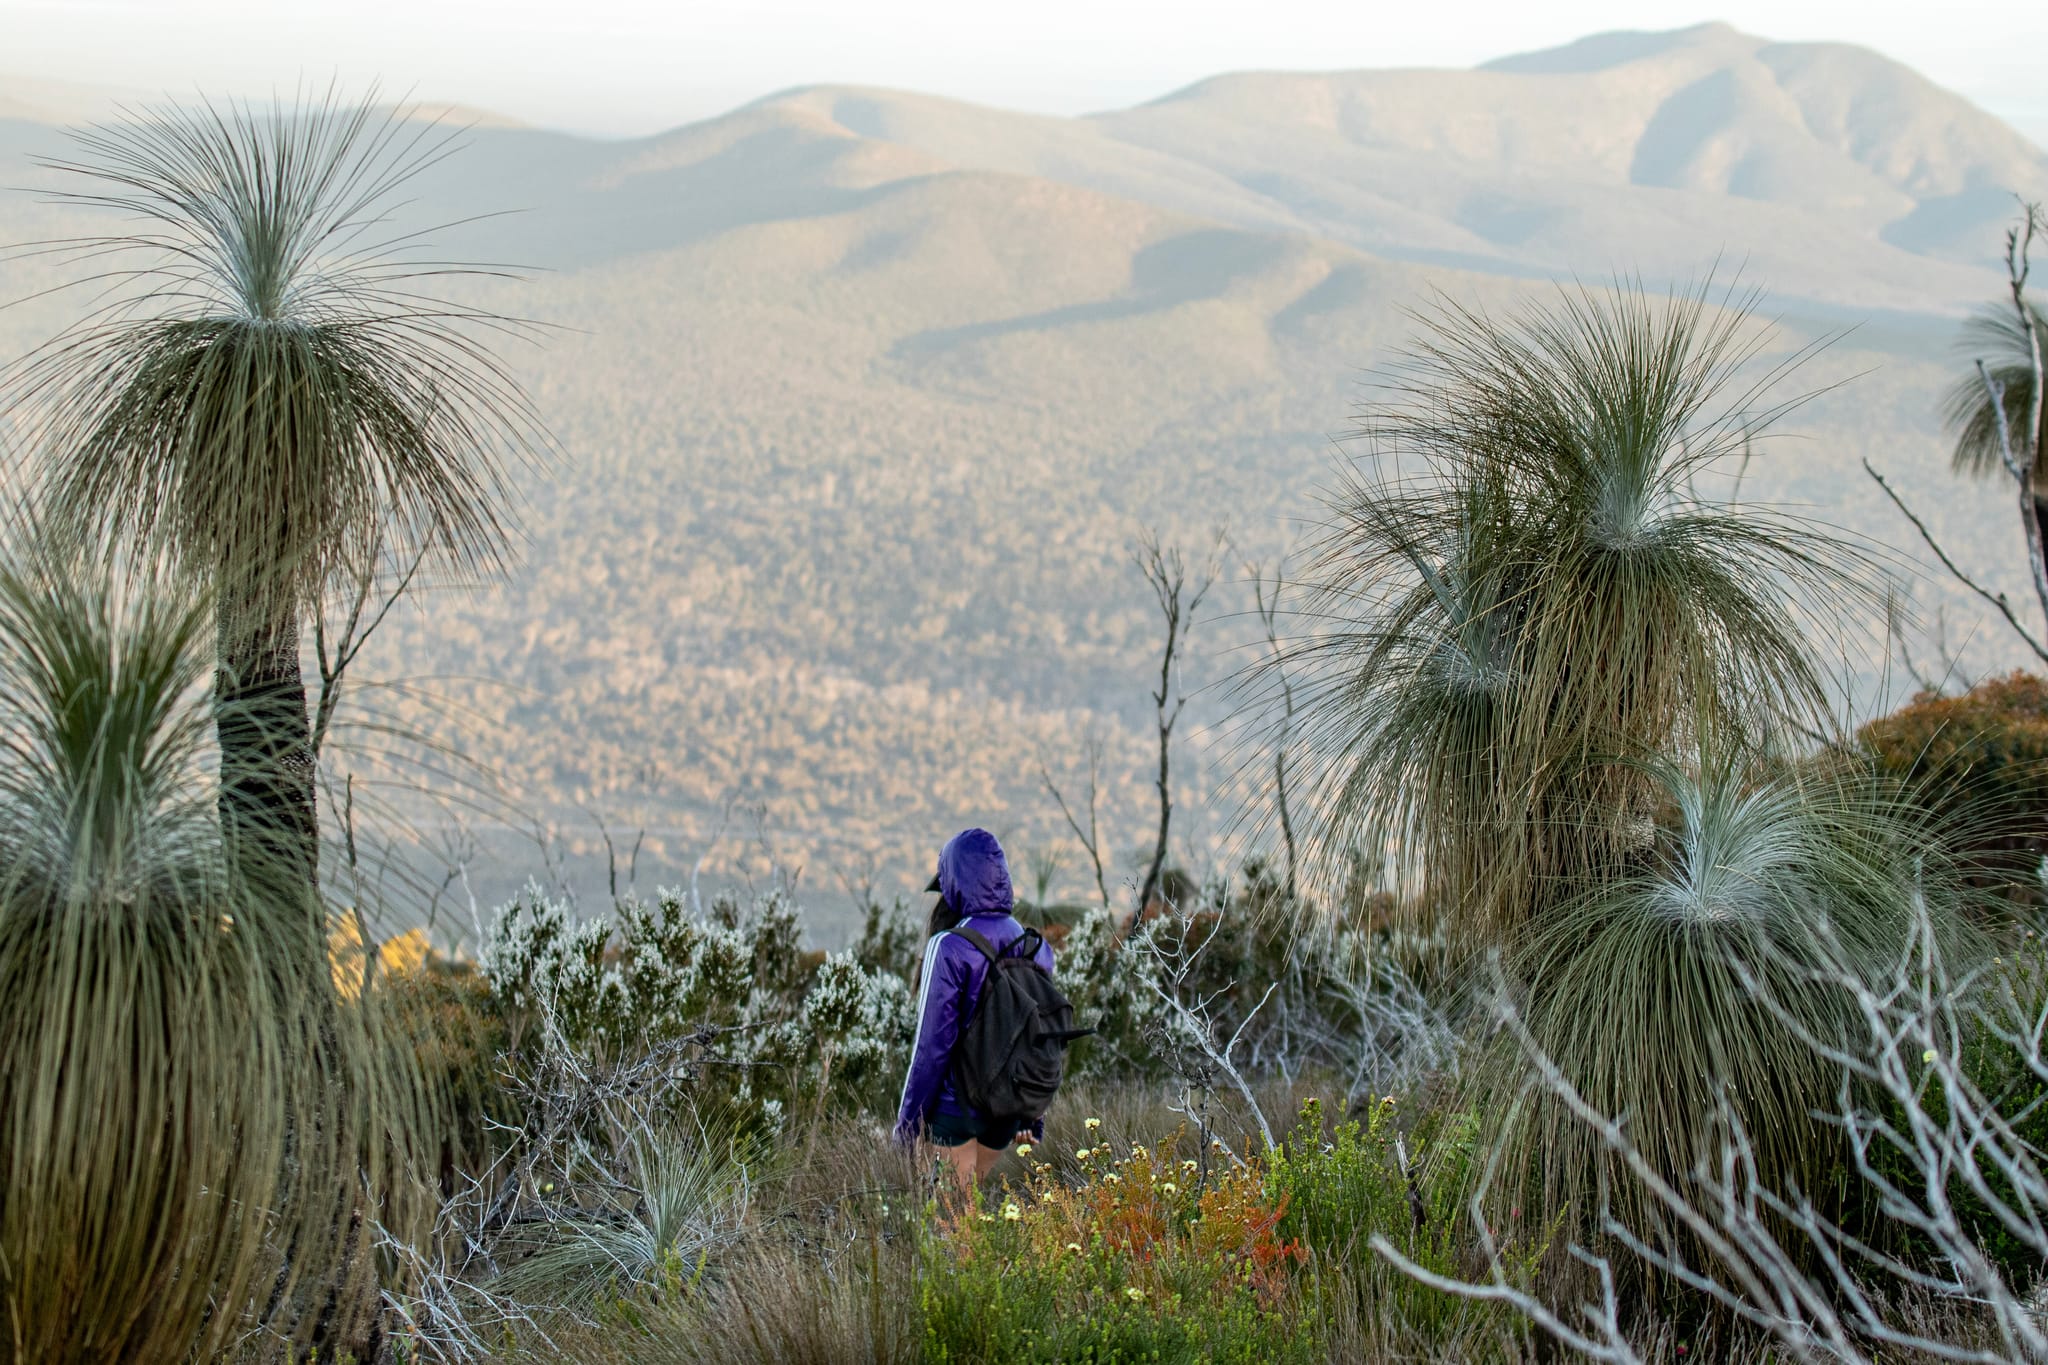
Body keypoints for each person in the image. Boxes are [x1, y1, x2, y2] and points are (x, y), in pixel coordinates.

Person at [894, 827, 1059, 1189]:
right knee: (968, 1218)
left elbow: (931, 1050)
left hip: (956, 1111)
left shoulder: (949, 946)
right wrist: (1032, 1116)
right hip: (1004, 1112)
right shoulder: (1034, 945)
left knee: (951, 1229)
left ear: (953, 885)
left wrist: (905, 1129)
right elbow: (1042, 1035)